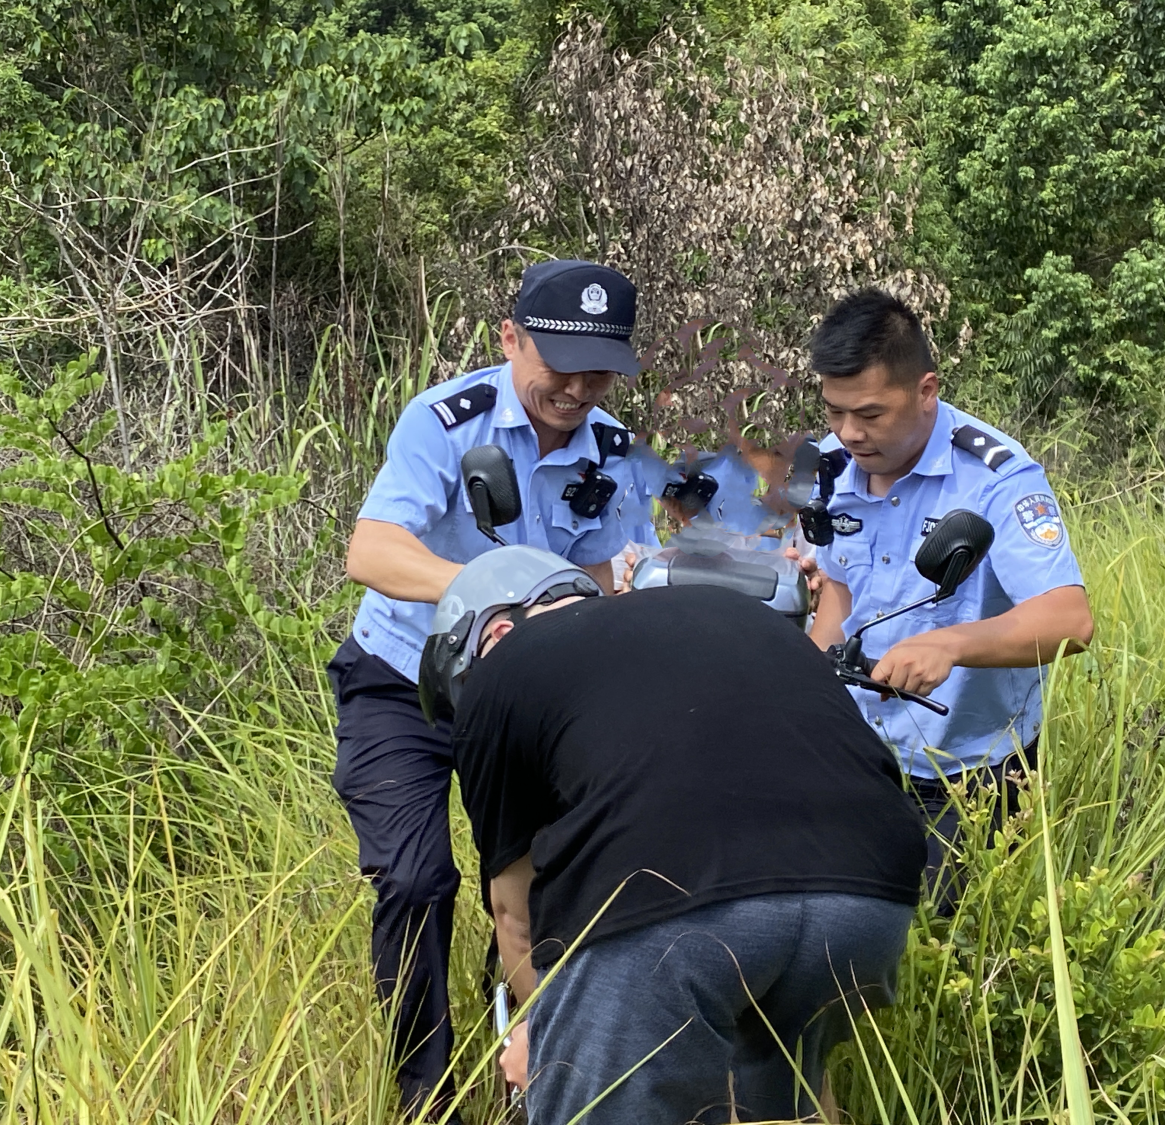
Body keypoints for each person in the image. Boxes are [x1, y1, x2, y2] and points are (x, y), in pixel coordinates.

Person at [429, 547, 930, 1125]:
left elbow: (515, 917)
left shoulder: (504, 667)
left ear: (490, 633)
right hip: (869, 894)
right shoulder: (731, 614)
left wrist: (540, 1035)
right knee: (787, 1098)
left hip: (671, 904)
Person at [328, 260, 655, 1120]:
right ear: (510, 339)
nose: (577, 388)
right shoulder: (444, 422)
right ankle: (422, 1092)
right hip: (406, 679)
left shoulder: (615, 453)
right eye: (559, 364)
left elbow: (616, 574)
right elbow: (372, 550)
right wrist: (494, 592)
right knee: (414, 880)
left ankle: (525, 1060)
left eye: (599, 371)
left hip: (531, 698)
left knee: (545, 882)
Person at [802, 287, 1095, 911]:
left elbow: (1070, 619)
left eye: (872, 414)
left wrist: (951, 644)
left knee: (949, 945)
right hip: (854, 750)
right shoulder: (830, 464)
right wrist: (800, 688)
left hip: (968, 772)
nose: (850, 432)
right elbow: (839, 593)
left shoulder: (997, 478)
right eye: (834, 412)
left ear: (926, 390)